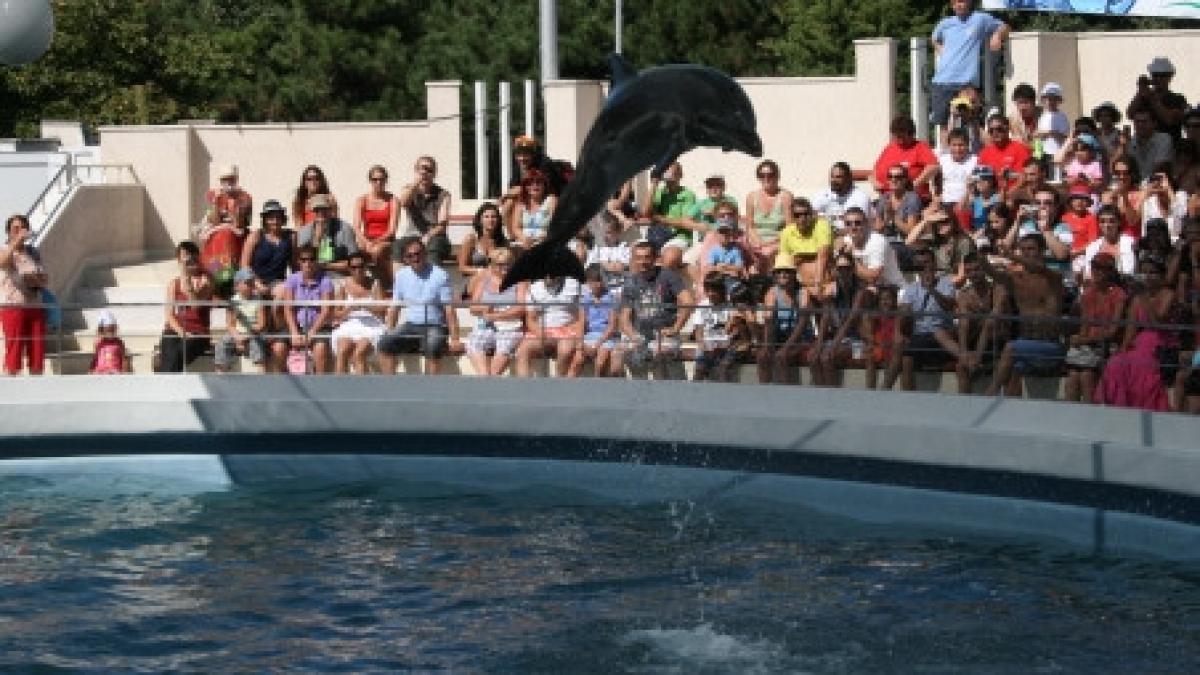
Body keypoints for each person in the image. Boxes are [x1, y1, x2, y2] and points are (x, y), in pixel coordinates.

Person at [983, 233, 1065, 396]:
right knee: (1013, 375)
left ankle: (988, 395)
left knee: (1010, 349)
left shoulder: (1054, 277)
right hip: (1025, 343)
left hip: (1049, 346)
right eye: (1023, 250)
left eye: (1031, 249)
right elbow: (994, 274)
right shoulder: (1016, 279)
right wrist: (981, 257)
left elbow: (1038, 268)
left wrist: (1011, 255)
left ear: (1042, 251)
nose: (1026, 253)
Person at [1095, 257, 1178, 411]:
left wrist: (1144, 296)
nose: (1148, 276)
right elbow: (1131, 329)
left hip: (1161, 344)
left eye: (1152, 272)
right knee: (1116, 362)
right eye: (1144, 272)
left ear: (1161, 276)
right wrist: (1124, 348)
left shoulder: (1168, 294)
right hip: (1140, 343)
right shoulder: (1137, 299)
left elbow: (1157, 321)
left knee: (1142, 366)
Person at [930, 0, 1009, 145]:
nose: (958, 5)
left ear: (969, 2)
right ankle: (947, 155)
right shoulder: (945, 23)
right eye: (955, 2)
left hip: (966, 82)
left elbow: (1004, 27)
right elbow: (934, 38)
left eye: (962, 1)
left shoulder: (980, 19)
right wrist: (941, 50)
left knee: (972, 120)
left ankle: (984, 152)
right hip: (942, 80)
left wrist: (997, 35)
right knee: (944, 125)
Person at [378, 237, 460, 375]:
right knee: (384, 343)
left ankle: (429, 387)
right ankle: (390, 384)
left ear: (425, 253)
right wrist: (389, 330)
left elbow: (449, 309)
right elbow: (395, 307)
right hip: (411, 325)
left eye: (418, 254)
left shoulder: (440, 275)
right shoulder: (401, 276)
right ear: (405, 259)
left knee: (433, 347)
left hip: (435, 325)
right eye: (410, 256)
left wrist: (455, 339)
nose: (415, 258)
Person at [620, 240, 694, 380]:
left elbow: (688, 302)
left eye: (647, 257)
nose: (643, 262)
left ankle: (677, 389)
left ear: (655, 258)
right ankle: (640, 390)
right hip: (641, 334)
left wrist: (676, 328)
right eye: (638, 258)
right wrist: (633, 336)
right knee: (626, 354)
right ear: (633, 259)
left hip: (664, 334)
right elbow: (624, 318)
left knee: (662, 353)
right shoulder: (631, 282)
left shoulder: (667, 275)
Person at [894, 246, 961, 391]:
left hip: (942, 336)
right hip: (919, 336)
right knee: (906, 359)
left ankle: (965, 358)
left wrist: (931, 289)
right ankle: (907, 398)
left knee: (938, 333)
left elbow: (949, 307)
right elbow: (903, 315)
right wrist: (904, 318)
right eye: (919, 264)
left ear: (934, 264)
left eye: (926, 263)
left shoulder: (946, 283)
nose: (923, 267)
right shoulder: (911, 289)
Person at [1063, 253, 1127, 404]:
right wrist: (1080, 339)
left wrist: (1086, 339)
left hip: (1107, 344)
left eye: (1101, 268)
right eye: (1094, 268)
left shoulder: (1118, 295)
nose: (1097, 272)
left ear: (1110, 271)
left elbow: (1113, 330)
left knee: (1087, 376)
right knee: (1073, 377)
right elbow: (1085, 324)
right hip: (1088, 343)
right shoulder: (1088, 293)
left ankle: (1090, 412)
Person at [812, 252, 871, 387]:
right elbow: (825, 318)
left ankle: (831, 395)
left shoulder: (860, 290)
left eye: (847, 268)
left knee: (827, 357)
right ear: (835, 270)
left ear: (852, 269)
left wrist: (834, 344)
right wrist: (819, 343)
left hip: (857, 339)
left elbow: (851, 319)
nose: (843, 272)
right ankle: (820, 393)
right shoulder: (832, 289)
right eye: (840, 268)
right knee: (813, 358)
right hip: (840, 338)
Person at [465, 247, 527, 377]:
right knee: (473, 343)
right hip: (486, 326)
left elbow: (521, 308)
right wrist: (484, 308)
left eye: (508, 264)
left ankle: (489, 381)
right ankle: (485, 378)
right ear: (492, 265)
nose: (504, 267)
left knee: (504, 347)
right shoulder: (484, 282)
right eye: (500, 264)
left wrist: (495, 316)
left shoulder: (519, 282)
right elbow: (473, 308)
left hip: (510, 327)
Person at [0, 215, 48, 377]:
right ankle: (11, 381)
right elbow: (2, 262)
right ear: (8, 231)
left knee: (37, 351)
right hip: (13, 306)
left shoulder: (33, 252)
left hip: (35, 305)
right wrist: (15, 242)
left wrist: (37, 279)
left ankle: (36, 382)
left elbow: (43, 276)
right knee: (14, 349)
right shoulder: (4, 249)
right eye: (15, 228)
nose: (20, 231)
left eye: (23, 228)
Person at [756, 258, 814, 384]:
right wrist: (767, 346)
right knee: (762, 356)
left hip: (800, 338)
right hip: (779, 336)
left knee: (781, 356)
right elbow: (769, 322)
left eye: (787, 271)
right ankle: (764, 391)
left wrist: (786, 347)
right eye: (779, 271)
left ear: (794, 274)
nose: (783, 274)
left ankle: (785, 391)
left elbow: (802, 323)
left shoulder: (803, 292)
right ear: (775, 275)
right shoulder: (772, 292)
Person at [158, 241, 213, 373]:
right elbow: (169, 314)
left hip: (198, 333)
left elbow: (195, 306)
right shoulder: (173, 284)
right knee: (169, 355)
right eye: (186, 256)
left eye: (192, 255)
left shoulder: (207, 280)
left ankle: (163, 383)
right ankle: (165, 383)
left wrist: (186, 280)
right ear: (179, 260)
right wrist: (180, 331)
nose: (190, 259)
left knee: (176, 356)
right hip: (175, 330)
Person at [955, 253, 1005, 394]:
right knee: (960, 367)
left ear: (984, 270)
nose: (973, 274)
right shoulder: (963, 295)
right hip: (975, 340)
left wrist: (977, 357)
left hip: (997, 340)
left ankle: (976, 360)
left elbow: (996, 315)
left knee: (990, 321)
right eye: (969, 271)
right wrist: (964, 354)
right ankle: (964, 402)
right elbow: (964, 323)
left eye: (977, 269)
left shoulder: (997, 289)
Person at [281, 245, 335, 375]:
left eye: (311, 259)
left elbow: (326, 310)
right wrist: (294, 332)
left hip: (318, 326)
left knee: (320, 349)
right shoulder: (292, 279)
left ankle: (319, 384)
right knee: (278, 348)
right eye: (304, 260)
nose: (308, 263)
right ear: (299, 261)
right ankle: (282, 384)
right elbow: (288, 308)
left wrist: (312, 332)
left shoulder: (325, 281)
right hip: (296, 326)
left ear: (316, 261)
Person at [515, 274, 581, 378]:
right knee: (522, 351)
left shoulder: (574, 285)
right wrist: (540, 333)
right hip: (543, 330)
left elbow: (582, 315)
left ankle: (559, 382)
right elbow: (530, 319)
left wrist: (577, 330)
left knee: (565, 350)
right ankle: (524, 386)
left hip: (568, 329)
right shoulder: (534, 288)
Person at [331, 251, 386, 375]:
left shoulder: (375, 284)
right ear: (349, 269)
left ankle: (361, 387)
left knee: (359, 353)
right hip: (349, 324)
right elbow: (336, 313)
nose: (358, 270)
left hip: (371, 325)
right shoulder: (343, 285)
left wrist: (367, 307)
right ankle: (338, 386)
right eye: (354, 267)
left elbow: (382, 310)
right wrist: (350, 309)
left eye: (361, 266)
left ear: (365, 267)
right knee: (342, 351)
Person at [692, 272, 749, 382]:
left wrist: (722, 345)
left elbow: (735, 332)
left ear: (722, 290)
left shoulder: (731, 305)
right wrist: (704, 346)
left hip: (727, 346)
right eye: (708, 290)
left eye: (714, 290)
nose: (710, 294)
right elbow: (699, 333)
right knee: (700, 368)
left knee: (723, 367)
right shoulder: (702, 306)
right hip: (708, 346)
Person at [569, 265, 623, 378]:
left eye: (599, 280)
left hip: (607, 337)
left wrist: (596, 345)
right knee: (577, 361)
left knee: (600, 362)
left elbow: (612, 326)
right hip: (590, 335)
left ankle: (598, 385)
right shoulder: (585, 300)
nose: (597, 284)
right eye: (593, 281)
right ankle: (566, 386)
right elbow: (582, 323)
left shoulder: (612, 299)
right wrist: (580, 343)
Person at [214, 268, 271, 374]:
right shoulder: (233, 301)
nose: (250, 285)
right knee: (222, 344)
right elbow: (230, 324)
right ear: (237, 285)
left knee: (257, 345)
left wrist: (248, 335)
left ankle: (261, 374)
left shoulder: (258, 300)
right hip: (238, 333)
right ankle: (220, 373)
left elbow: (261, 324)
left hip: (254, 333)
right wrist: (237, 336)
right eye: (247, 283)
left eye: (251, 282)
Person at [398, 156, 452, 263]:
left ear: (434, 174)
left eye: (428, 170)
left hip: (435, 236)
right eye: (421, 168)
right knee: (397, 247)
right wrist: (415, 184)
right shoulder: (408, 189)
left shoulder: (444, 194)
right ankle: (400, 275)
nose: (424, 172)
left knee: (433, 247)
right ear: (416, 170)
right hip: (412, 235)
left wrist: (428, 235)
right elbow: (403, 203)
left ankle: (432, 274)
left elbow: (442, 226)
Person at [641, 162, 699, 259]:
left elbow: (685, 222)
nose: (668, 174)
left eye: (672, 172)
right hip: (658, 235)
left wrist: (659, 218)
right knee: (637, 253)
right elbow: (645, 213)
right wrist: (654, 184)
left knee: (669, 257)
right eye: (666, 171)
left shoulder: (687, 194)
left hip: (679, 236)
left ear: (680, 175)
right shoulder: (659, 192)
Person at [743, 160, 794, 272]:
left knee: (767, 256)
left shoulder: (785, 197)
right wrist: (758, 243)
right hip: (756, 242)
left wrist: (770, 245)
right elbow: (750, 227)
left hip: (779, 241)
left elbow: (789, 228)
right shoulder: (751, 197)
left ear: (777, 176)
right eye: (762, 175)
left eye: (770, 175)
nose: (766, 178)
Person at [354, 165, 400, 289]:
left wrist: (374, 243)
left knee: (377, 251)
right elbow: (357, 227)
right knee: (354, 252)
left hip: (386, 240)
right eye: (375, 179)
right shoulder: (361, 200)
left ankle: (385, 285)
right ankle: (361, 286)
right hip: (367, 240)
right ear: (370, 181)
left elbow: (392, 231)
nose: (378, 182)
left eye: (381, 179)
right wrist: (366, 242)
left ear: (386, 180)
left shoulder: (393, 200)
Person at [873, 116, 937, 201]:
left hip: (912, 196)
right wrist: (874, 182)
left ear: (911, 134)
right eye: (897, 137)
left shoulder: (920, 147)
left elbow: (933, 167)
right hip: (888, 196)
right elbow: (875, 169)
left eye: (902, 137)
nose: (900, 140)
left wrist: (914, 184)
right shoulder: (889, 148)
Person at [240, 199, 296, 296]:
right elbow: (244, 266)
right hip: (253, 280)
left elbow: (294, 264)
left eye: (278, 217)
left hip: (277, 282)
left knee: (283, 290)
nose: (275, 221)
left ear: (283, 219)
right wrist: (256, 283)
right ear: (265, 220)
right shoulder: (256, 236)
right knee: (245, 289)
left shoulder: (290, 237)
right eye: (271, 218)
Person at [296, 194, 358, 280]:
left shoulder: (345, 229)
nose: (321, 213)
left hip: (339, 277)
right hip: (313, 277)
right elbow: (303, 263)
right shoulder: (304, 232)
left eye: (324, 209)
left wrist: (325, 266)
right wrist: (317, 239)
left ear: (330, 210)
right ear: (312, 212)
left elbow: (354, 262)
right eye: (317, 210)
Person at [841, 207, 905, 289]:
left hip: (892, 287)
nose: (853, 227)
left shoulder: (877, 242)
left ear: (866, 224)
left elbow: (873, 278)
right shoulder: (845, 241)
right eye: (848, 224)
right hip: (865, 287)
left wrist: (850, 258)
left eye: (858, 223)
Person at [1126, 57, 1190, 139]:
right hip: (1146, 144)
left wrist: (1152, 99)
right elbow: (1130, 114)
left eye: (1162, 76)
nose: (1158, 79)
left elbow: (1169, 119)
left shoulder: (1178, 99)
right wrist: (1141, 90)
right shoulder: (1143, 98)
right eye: (1155, 75)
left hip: (1170, 144)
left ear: (1169, 78)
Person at [778, 198, 833, 293]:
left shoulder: (821, 225)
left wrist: (818, 283)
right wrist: (809, 257)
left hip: (823, 279)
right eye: (797, 215)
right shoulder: (786, 232)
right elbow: (785, 263)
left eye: (806, 214)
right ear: (792, 217)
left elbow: (823, 256)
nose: (802, 219)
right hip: (798, 281)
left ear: (812, 214)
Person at [875, 165, 923, 270]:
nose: (893, 180)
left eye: (898, 177)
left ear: (905, 180)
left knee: (890, 252)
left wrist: (893, 216)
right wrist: (887, 219)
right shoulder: (884, 198)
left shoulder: (912, 198)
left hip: (906, 244)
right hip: (886, 242)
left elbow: (911, 231)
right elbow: (878, 229)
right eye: (890, 176)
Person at [458, 202, 509, 297]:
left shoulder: (503, 242)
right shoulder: (471, 239)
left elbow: (507, 265)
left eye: (494, 217)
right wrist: (480, 271)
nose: (490, 220)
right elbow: (462, 267)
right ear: (480, 220)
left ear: (498, 220)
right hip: (472, 279)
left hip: (495, 278)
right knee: (485, 276)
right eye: (486, 217)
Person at [978, 114, 1031, 195]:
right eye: (991, 131)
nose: (995, 133)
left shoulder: (1020, 149)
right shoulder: (984, 153)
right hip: (991, 196)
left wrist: (1007, 195)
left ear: (1007, 129)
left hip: (1015, 194)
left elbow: (1024, 177)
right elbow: (980, 179)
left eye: (999, 129)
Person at [813, 161, 873, 233]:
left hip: (854, 236)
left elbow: (860, 227)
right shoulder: (823, 194)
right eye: (832, 176)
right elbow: (811, 214)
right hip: (828, 235)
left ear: (848, 179)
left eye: (838, 177)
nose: (833, 180)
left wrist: (834, 232)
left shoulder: (860, 197)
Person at [1082, 205, 1138, 280]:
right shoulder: (1092, 248)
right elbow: (1088, 274)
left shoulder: (1130, 243)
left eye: (1111, 221)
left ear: (1119, 222)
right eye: (1102, 221)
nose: (1107, 225)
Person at [1120, 106, 1174, 180]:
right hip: (1135, 184)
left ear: (1154, 123)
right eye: (1137, 122)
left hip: (1157, 183)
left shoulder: (1164, 139)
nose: (1140, 125)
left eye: (1144, 122)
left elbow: (1161, 169)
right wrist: (1123, 146)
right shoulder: (1130, 141)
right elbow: (1123, 168)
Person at [509, 169, 558, 250]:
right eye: (530, 183)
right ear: (525, 187)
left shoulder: (551, 201)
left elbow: (555, 226)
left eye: (538, 182)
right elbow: (516, 228)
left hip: (545, 241)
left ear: (544, 185)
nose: (534, 186)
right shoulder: (520, 204)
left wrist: (538, 239)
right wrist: (524, 238)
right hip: (524, 241)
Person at [1139, 162, 1189, 240]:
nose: (1157, 182)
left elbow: (1181, 218)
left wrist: (1169, 190)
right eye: (1155, 179)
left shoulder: (1180, 196)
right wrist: (1145, 196)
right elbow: (1145, 232)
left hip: (1177, 242)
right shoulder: (1149, 202)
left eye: (1161, 179)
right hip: (1156, 243)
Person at [585, 213, 631, 293]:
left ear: (617, 232)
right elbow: (590, 269)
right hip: (602, 290)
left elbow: (619, 267)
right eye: (604, 232)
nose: (605, 236)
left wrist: (602, 264)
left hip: (620, 289)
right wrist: (608, 265)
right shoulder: (598, 248)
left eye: (609, 232)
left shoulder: (624, 247)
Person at [1103, 155, 1145, 240]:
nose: (1121, 176)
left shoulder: (1142, 194)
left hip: (1134, 239)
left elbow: (1132, 221)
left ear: (1132, 173)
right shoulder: (1108, 194)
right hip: (1114, 240)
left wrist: (1124, 196)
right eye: (1118, 173)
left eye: (1126, 173)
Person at [938, 128, 978, 209]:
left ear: (967, 145)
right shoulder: (942, 160)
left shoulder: (975, 161)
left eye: (961, 145)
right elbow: (933, 180)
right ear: (949, 145)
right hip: (946, 201)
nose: (957, 149)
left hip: (966, 202)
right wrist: (935, 196)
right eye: (954, 145)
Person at [1035, 82, 1069, 168]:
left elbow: (1064, 138)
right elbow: (1038, 137)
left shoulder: (1062, 117)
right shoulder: (1042, 116)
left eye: (1054, 99)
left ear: (1059, 100)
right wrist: (1037, 154)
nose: (1050, 102)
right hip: (1043, 154)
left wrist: (1050, 133)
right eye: (1048, 99)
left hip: (1057, 153)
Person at [959, 165, 1001, 232]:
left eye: (984, 179)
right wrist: (968, 190)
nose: (980, 183)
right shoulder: (975, 199)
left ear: (992, 181)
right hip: (977, 232)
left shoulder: (998, 197)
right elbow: (962, 208)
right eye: (977, 180)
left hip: (993, 232)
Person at [88, 309, 128, 375]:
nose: (110, 333)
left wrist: (125, 371)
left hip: (115, 371)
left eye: (112, 330)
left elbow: (124, 359)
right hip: (100, 371)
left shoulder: (119, 342)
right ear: (102, 331)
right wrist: (91, 370)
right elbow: (95, 358)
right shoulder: (98, 343)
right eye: (108, 330)